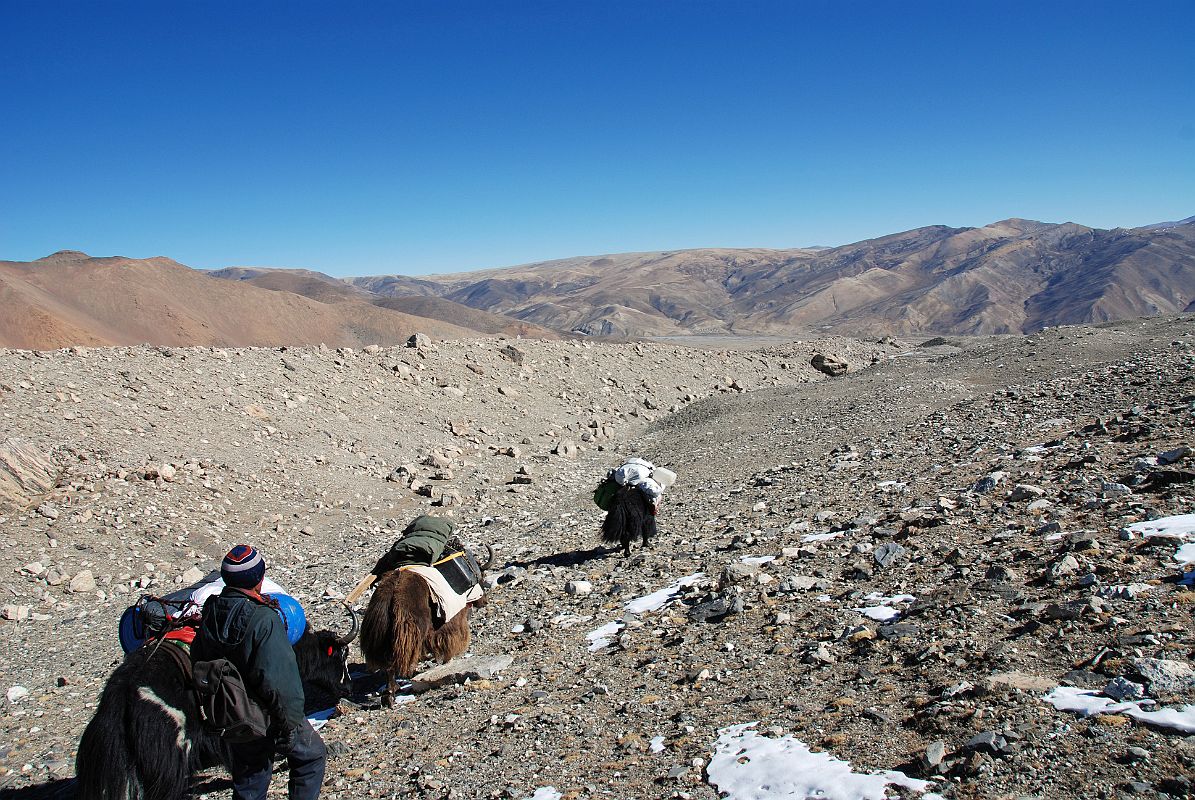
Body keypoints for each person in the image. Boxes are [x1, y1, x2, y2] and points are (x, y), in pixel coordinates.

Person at [192, 545, 326, 800]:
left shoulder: (211, 611)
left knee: (250, 778)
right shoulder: (263, 620)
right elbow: (279, 682)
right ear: (259, 579)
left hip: (231, 711)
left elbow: (198, 657)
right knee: (312, 756)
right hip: (265, 713)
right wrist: (290, 725)